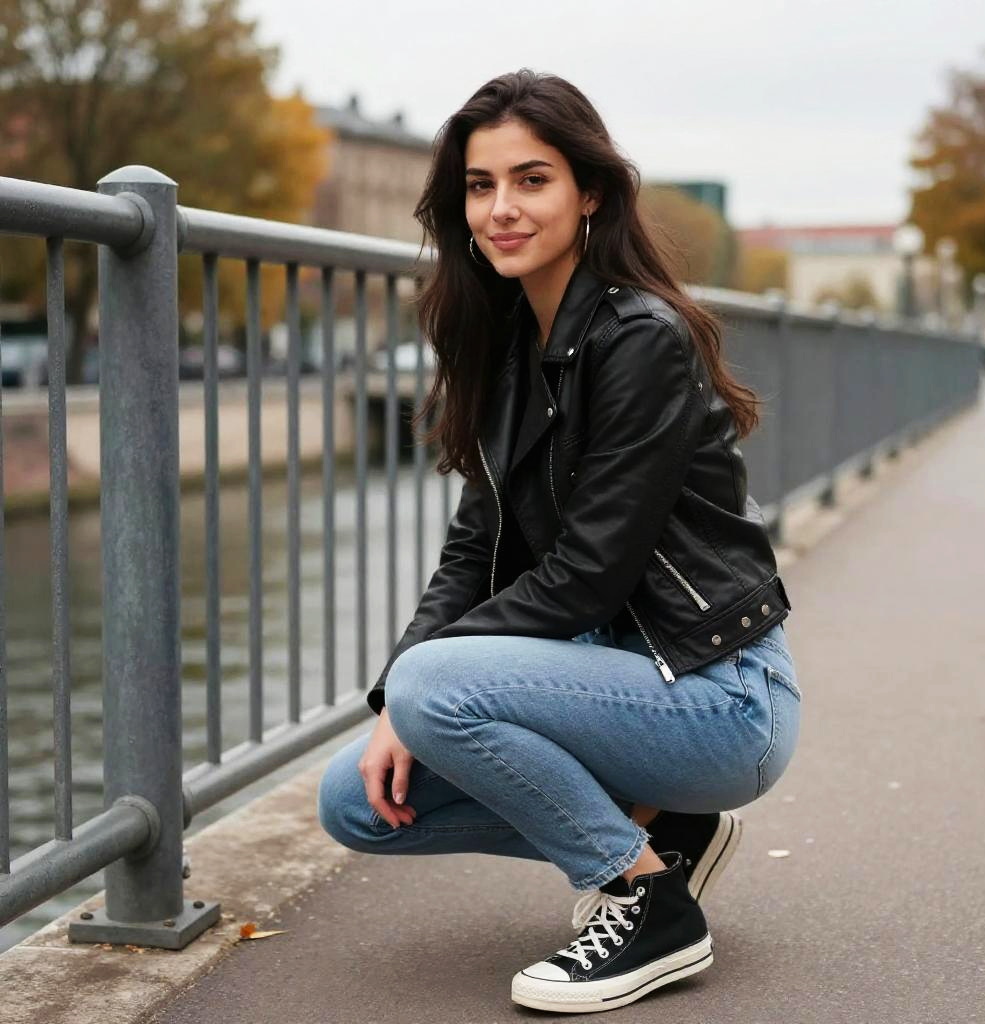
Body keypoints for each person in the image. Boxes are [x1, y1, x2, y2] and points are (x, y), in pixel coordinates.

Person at [317, 69, 801, 1014]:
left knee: (430, 692)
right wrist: (395, 703)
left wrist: (425, 689)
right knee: (354, 801)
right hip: (620, 683)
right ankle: (673, 838)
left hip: (720, 697)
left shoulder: (640, 339)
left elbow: (586, 578)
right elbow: (471, 552)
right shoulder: (502, 349)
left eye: (531, 181)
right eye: (479, 184)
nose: (500, 208)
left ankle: (642, 898)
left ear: (589, 194)